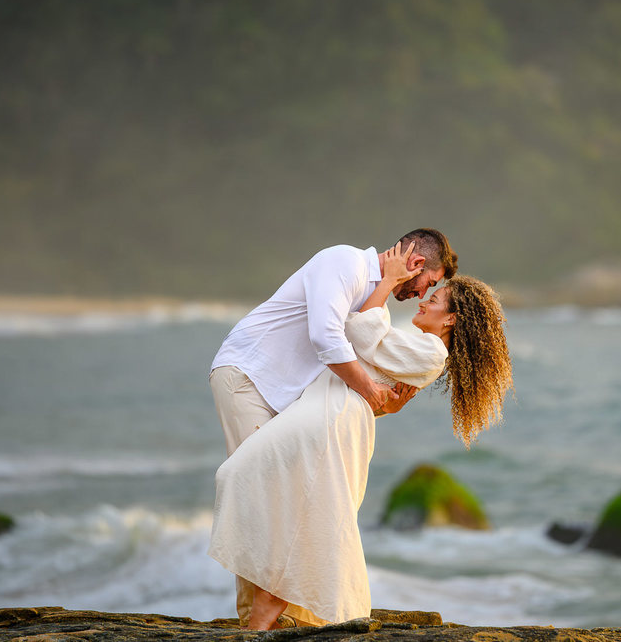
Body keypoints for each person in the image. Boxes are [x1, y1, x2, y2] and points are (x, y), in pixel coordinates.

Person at [208, 252, 513, 630]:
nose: (422, 298)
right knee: (283, 498)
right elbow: (370, 361)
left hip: (329, 418)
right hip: (323, 412)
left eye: (433, 299)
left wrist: (386, 283)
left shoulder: (432, 352)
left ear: (450, 318)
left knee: (275, 494)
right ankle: (273, 607)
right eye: (427, 291)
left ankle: (269, 606)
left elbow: (356, 331)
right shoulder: (415, 344)